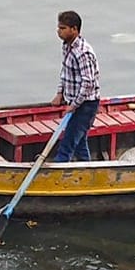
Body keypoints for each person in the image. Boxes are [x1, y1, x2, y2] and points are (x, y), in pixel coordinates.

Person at [50, 10, 100, 162]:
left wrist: (74, 105)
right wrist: (60, 93)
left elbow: (88, 83)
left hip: (86, 104)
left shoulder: (82, 52)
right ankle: (88, 169)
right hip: (74, 101)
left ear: (74, 29)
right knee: (79, 142)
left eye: (63, 28)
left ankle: (58, 173)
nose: (59, 32)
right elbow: (65, 72)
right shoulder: (66, 46)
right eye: (58, 28)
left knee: (68, 143)